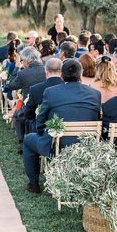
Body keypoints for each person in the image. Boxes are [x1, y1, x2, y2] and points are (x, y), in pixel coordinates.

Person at [24, 59, 100, 193]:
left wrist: (41, 132)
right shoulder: (95, 94)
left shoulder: (51, 92)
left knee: (29, 139)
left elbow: (41, 120)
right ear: (80, 74)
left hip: (59, 144)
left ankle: (34, 184)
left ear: (62, 75)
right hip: (88, 145)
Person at [22, 58, 63, 136]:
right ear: (61, 71)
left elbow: (28, 113)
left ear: (46, 71)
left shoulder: (35, 89)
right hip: (63, 127)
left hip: (43, 129)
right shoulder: (67, 86)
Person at [0, 32, 18, 97]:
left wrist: (0, 71)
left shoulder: (0, 50)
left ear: (7, 39)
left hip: (4, 77)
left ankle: (2, 99)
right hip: (18, 77)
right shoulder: (22, 49)